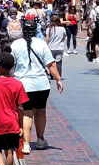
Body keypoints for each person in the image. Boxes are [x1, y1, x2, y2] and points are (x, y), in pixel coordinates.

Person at [11, 19, 63, 154]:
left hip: (23, 85)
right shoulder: (41, 44)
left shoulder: (16, 45)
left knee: (27, 113)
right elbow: (51, 64)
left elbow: (10, 64)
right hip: (41, 85)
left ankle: (26, 144)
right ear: (35, 30)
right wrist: (58, 79)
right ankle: (40, 139)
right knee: (40, 111)